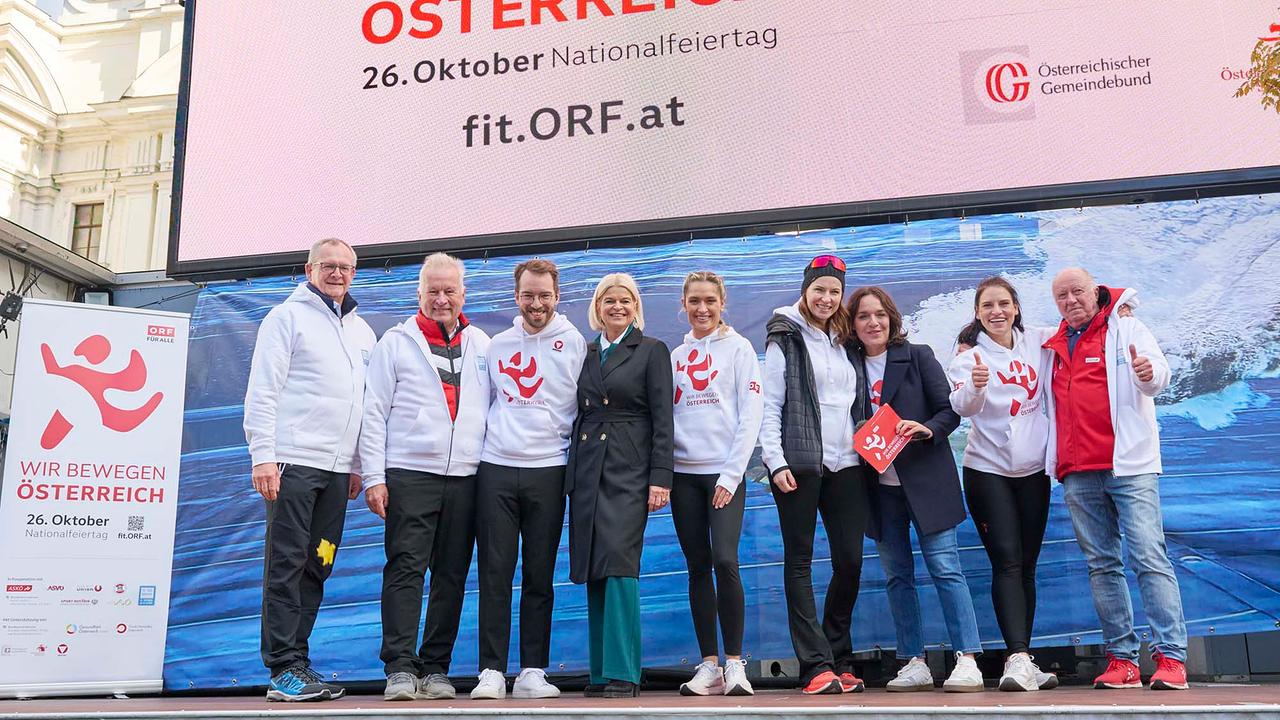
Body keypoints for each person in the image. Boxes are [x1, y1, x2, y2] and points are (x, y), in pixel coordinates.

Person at [1042, 267, 1187, 691]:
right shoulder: (1051, 344)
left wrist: (1148, 374)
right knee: (1102, 566)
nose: (1071, 301)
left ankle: (1171, 657)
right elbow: (1001, 337)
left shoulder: (1129, 327)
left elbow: (1159, 374)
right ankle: (1121, 659)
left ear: (1096, 292)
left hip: (1130, 465)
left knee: (1148, 557)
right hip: (1077, 472)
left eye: (1078, 292)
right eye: (1062, 296)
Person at [244, 237, 375, 702]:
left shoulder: (361, 331)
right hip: (292, 464)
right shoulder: (286, 318)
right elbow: (263, 390)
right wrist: (263, 456)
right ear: (309, 268)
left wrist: (358, 464)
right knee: (286, 564)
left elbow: (364, 403)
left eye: (346, 267)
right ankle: (282, 668)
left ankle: (299, 661)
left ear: (355, 272)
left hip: (337, 474)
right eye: (328, 265)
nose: (337, 273)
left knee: (318, 563)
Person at [358, 252, 491, 701]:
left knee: (451, 575)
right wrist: (374, 476)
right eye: (432, 291)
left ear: (462, 294)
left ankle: (435, 667)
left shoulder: (484, 345)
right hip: (410, 474)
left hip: (467, 478)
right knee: (405, 569)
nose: (441, 299)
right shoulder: (395, 343)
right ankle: (399, 666)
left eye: (449, 290)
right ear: (419, 293)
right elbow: (373, 413)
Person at [848, 285, 983, 693]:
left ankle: (967, 658)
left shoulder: (919, 355)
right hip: (879, 489)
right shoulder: (846, 364)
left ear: (892, 319)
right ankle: (913, 660)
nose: (873, 323)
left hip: (926, 481)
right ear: (852, 325)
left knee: (945, 569)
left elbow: (949, 412)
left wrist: (927, 429)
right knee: (897, 577)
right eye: (863, 316)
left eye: (880, 315)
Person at [471, 259, 586, 700]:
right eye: (528, 295)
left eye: (544, 296)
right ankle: (491, 672)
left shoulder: (575, 343)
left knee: (539, 575)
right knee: (495, 573)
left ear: (557, 296)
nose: (536, 304)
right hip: (496, 469)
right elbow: (482, 405)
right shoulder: (497, 345)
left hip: (550, 471)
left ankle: (533, 671)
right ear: (516, 297)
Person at [759, 255, 869, 696]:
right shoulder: (783, 336)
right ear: (806, 290)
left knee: (850, 562)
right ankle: (815, 665)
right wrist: (776, 461)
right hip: (800, 464)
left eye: (835, 291)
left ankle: (838, 654)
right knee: (800, 561)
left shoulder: (846, 340)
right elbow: (770, 406)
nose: (826, 298)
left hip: (848, 464)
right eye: (819, 289)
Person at [565, 273, 674, 699]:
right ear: (597, 306)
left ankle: (624, 672)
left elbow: (664, 419)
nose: (616, 307)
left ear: (635, 306)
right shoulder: (588, 352)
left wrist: (660, 478)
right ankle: (599, 670)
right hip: (590, 468)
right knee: (594, 565)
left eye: (625, 300)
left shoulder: (651, 350)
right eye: (609, 300)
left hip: (630, 468)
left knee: (620, 565)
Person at [947, 277, 1058, 692]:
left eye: (1003, 304)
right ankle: (1015, 657)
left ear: (1015, 308)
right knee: (1007, 561)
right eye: (987, 306)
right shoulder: (969, 357)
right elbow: (961, 406)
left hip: (1033, 473)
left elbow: (1082, 321)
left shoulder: (1039, 341)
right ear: (977, 312)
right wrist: (976, 386)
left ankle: (1025, 657)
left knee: (1027, 565)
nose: (996, 311)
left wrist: (1121, 309)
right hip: (987, 470)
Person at [669, 271, 764, 697]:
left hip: (725, 474)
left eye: (710, 300)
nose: (702, 308)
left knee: (726, 559)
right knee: (697, 566)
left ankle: (735, 663)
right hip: (683, 476)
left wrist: (731, 474)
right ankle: (708, 664)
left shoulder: (740, 349)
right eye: (694, 301)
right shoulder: (674, 356)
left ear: (722, 302)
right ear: (684, 305)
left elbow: (752, 414)